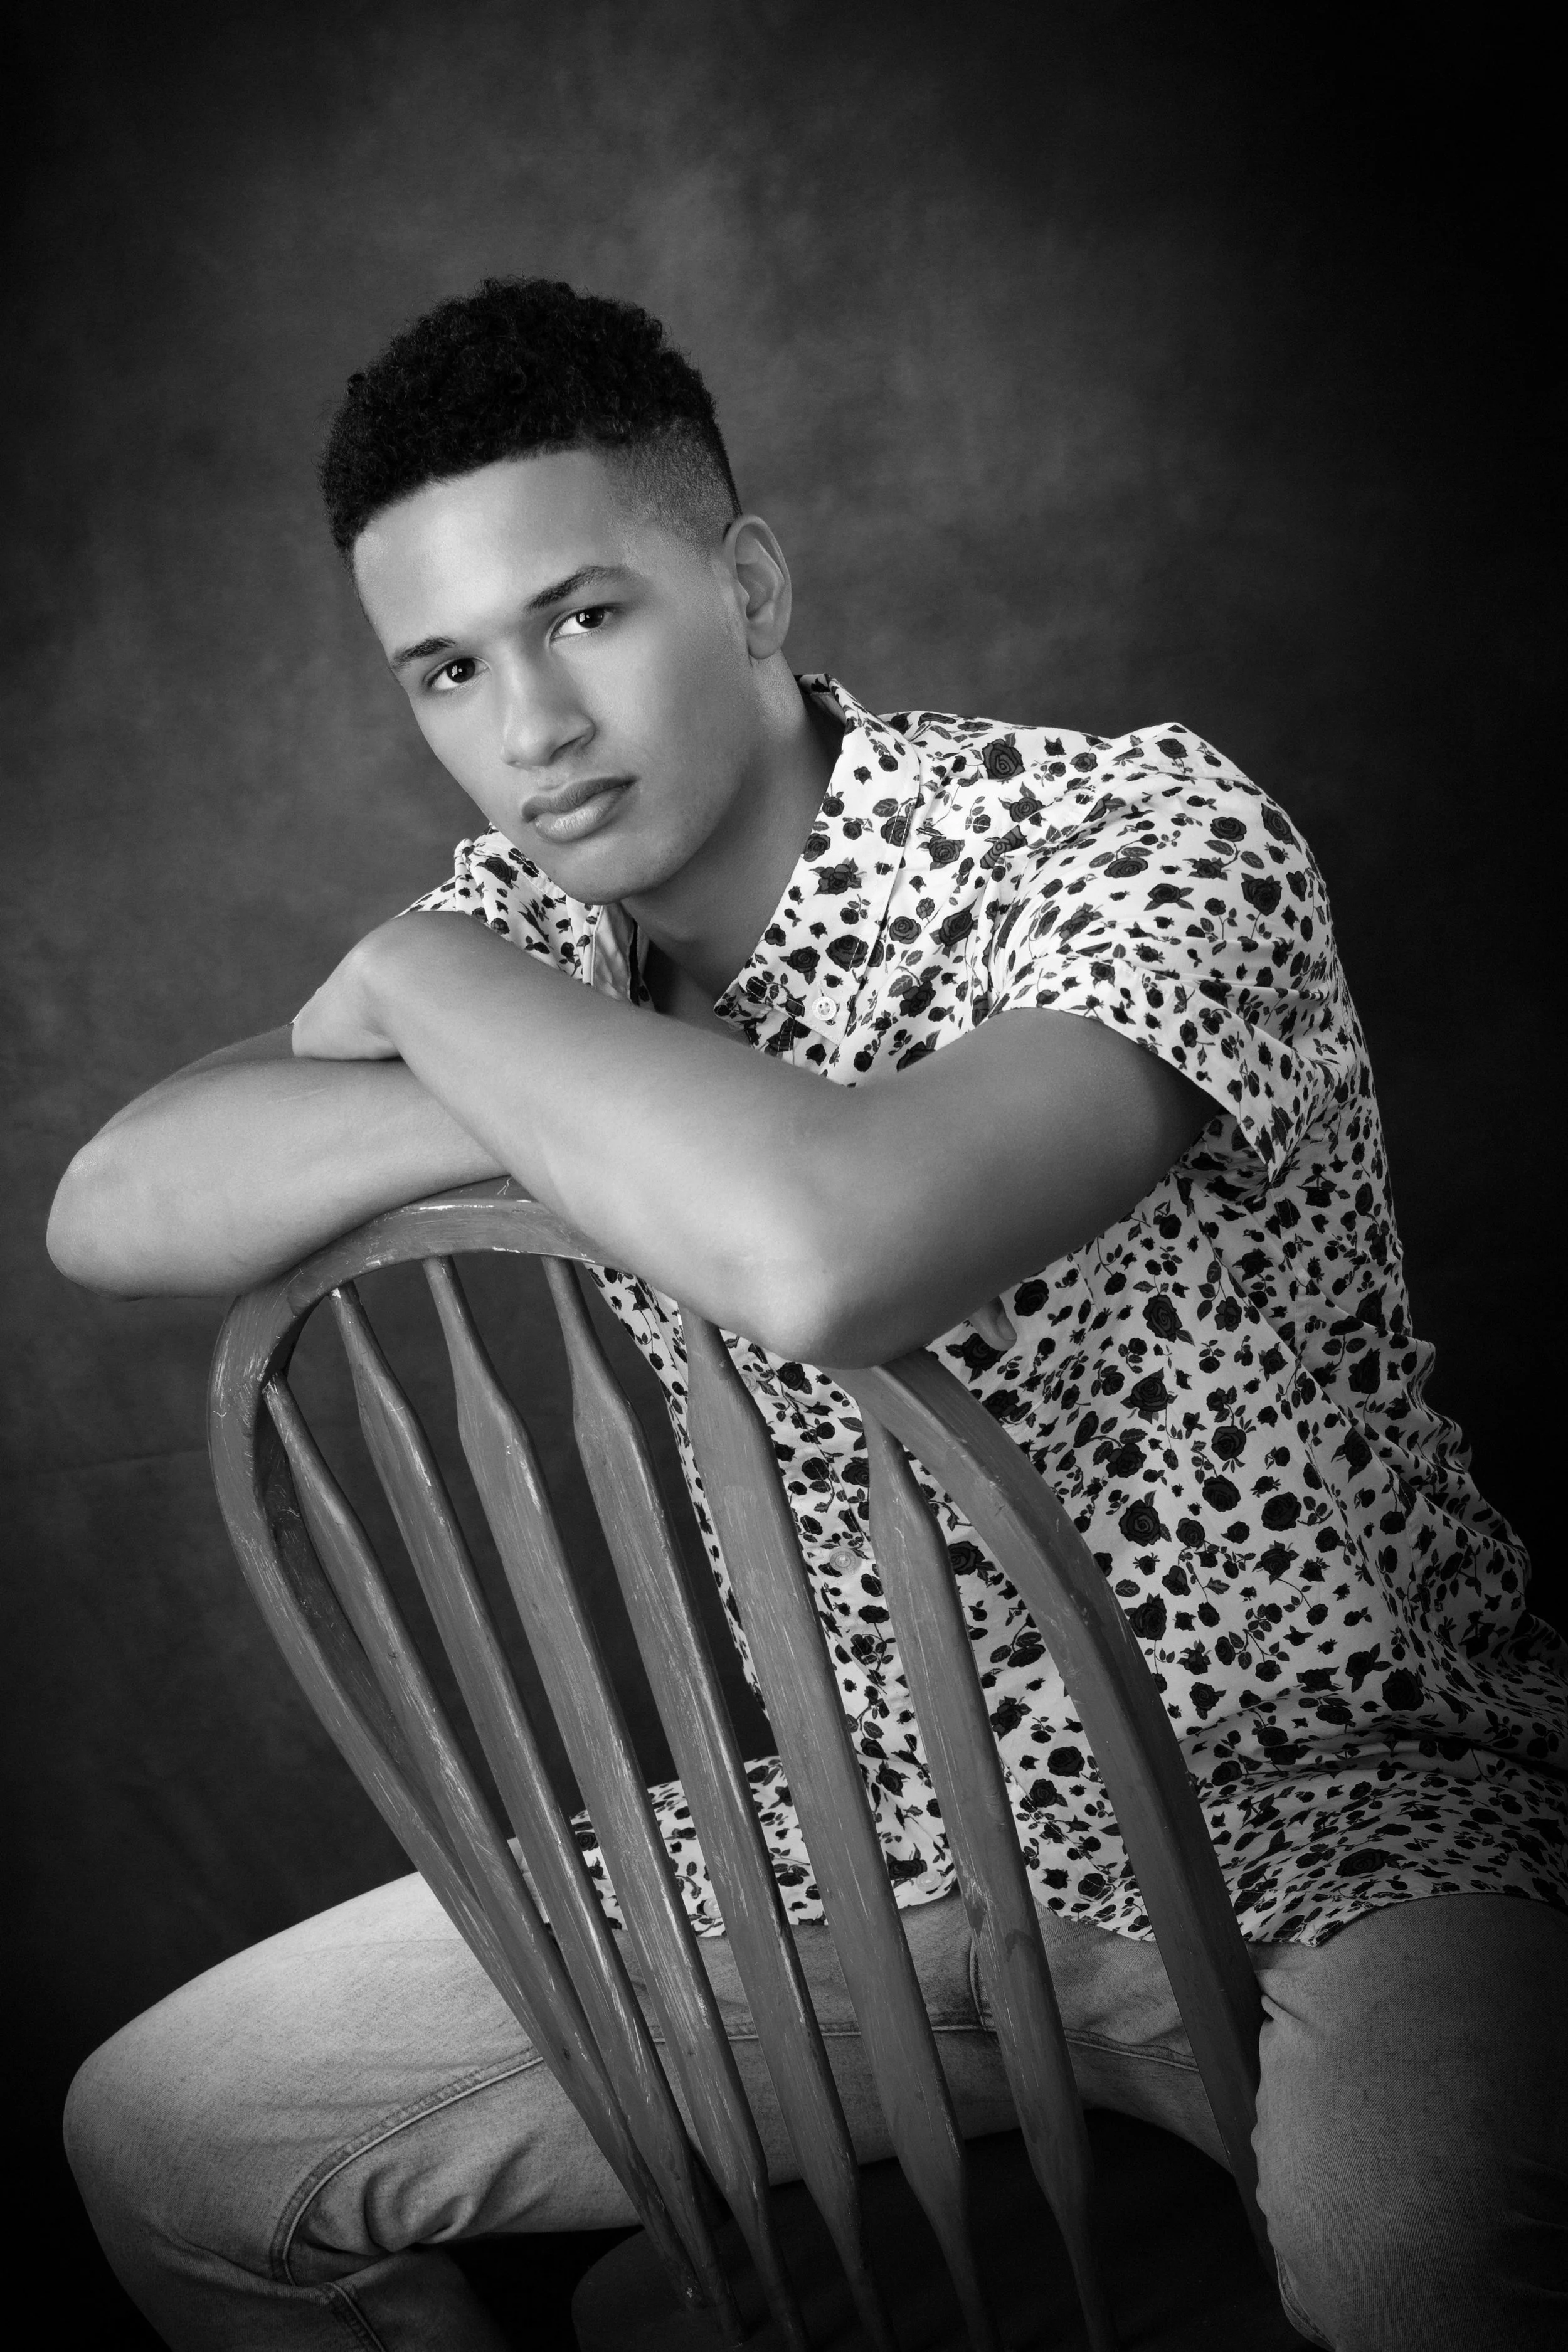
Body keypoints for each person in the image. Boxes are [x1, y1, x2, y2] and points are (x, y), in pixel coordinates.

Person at [50, 277, 1567, 2351]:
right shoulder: (541, 934)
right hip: (874, 1836)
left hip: (1342, 1805)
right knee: (170, 2138)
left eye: (584, 617)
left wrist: (418, 988)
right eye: (445, 671)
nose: (531, 736)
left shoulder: (1136, 839)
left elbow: (828, 1251)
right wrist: (484, 1057)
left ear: (747, 583)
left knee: (1417, 2261)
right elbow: (114, 1197)